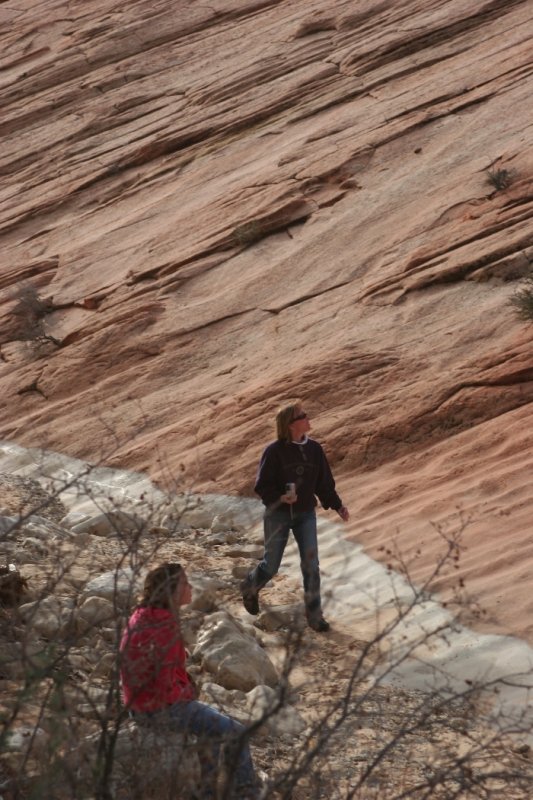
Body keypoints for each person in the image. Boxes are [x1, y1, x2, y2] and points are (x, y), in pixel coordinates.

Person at [120, 562, 261, 799]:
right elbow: (165, 689)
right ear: (172, 591)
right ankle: (246, 793)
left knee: (212, 729)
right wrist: (187, 694)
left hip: (137, 705)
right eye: (185, 583)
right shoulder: (163, 626)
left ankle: (207, 792)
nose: (190, 587)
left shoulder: (142, 615)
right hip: (157, 709)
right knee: (236, 732)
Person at [240, 401, 349, 632]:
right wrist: (280, 498)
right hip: (277, 516)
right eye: (303, 416)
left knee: (311, 566)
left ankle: (315, 616)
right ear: (291, 425)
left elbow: (324, 483)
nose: (309, 418)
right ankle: (250, 586)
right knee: (271, 566)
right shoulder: (273, 451)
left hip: (306, 515)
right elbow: (262, 486)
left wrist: (337, 505)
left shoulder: (315, 450)